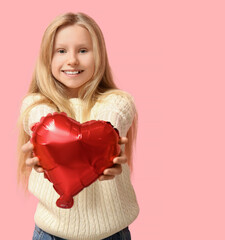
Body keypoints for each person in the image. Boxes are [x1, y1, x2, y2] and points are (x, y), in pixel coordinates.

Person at [17, 12, 139, 240]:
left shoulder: (118, 100)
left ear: (99, 56)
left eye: (83, 50)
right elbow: (40, 118)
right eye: (61, 51)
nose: (72, 60)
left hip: (112, 234)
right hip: (50, 234)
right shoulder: (35, 103)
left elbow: (110, 121)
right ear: (47, 58)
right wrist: (47, 141)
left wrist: (106, 144)